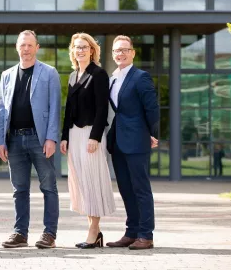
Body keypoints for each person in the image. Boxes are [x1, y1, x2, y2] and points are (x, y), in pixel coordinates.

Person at [0, 30, 62, 249]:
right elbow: (1, 110)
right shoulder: (7, 75)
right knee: (19, 189)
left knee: (48, 187)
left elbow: (55, 108)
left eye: (30, 45)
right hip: (14, 139)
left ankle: (49, 233)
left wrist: (52, 137)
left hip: (40, 139)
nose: (26, 49)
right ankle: (20, 233)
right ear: (17, 47)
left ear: (37, 47)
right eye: (22, 45)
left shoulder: (49, 73)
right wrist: (1, 141)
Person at [60, 33, 116, 249]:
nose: (80, 50)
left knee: (93, 181)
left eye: (84, 47)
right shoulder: (73, 76)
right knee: (82, 182)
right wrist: (64, 136)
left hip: (91, 134)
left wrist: (95, 136)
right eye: (77, 47)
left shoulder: (99, 74)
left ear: (92, 50)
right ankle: (95, 231)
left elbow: (103, 109)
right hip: (74, 135)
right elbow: (69, 110)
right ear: (72, 51)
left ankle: (94, 231)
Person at [106, 35, 159, 250]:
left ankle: (146, 235)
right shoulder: (114, 78)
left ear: (133, 53)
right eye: (117, 50)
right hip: (118, 141)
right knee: (126, 189)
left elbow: (152, 108)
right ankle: (131, 232)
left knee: (141, 189)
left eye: (125, 50)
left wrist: (152, 133)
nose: (121, 53)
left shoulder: (140, 77)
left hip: (137, 140)